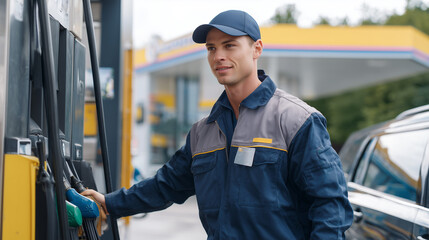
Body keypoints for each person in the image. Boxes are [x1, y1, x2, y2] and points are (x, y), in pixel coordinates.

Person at [83, 9, 353, 239]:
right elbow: (166, 185)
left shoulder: (296, 120)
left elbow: (331, 206)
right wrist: (110, 203)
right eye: (212, 48)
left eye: (229, 45)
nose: (218, 56)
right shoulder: (204, 131)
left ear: (257, 48)